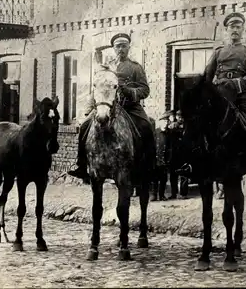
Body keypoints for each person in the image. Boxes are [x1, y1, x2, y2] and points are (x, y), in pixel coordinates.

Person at [67, 33, 156, 186]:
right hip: (106, 106)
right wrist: (89, 108)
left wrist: (129, 91)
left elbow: (145, 90)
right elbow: (97, 88)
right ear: (114, 48)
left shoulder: (135, 67)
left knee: (147, 126)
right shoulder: (106, 67)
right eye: (117, 46)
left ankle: (150, 166)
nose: (120, 49)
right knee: (84, 126)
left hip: (129, 107)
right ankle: (81, 165)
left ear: (129, 47)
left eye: (123, 46)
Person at [203, 12, 246, 169]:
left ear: (243, 30)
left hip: (243, 99)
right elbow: (206, 78)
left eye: (238, 27)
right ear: (226, 30)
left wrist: (234, 83)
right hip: (220, 97)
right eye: (231, 27)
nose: (234, 30)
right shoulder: (218, 52)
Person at [151, 112, 171, 201]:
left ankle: (161, 195)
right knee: (154, 179)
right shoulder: (155, 133)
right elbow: (151, 147)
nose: (166, 123)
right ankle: (154, 195)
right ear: (160, 122)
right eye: (164, 121)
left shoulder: (169, 134)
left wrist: (169, 160)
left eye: (167, 122)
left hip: (164, 160)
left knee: (163, 179)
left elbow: (170, 148)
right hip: (155, 159)